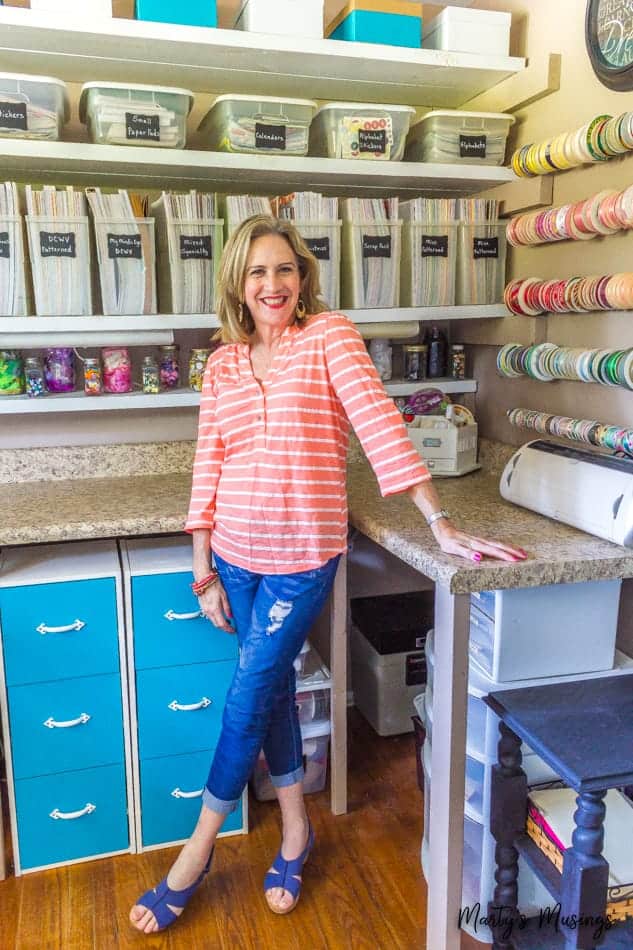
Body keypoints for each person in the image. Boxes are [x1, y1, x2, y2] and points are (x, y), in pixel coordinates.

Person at [130, 214, 527, 934]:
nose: (272, 284)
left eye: (284, 269)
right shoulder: (223, 362)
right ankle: (294, 832)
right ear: (238, 285)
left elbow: (379, 425)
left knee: (245, 697)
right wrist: (202, 568)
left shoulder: (329, 336)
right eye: (257, 272)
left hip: (302, 553)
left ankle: (197, 850)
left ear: (302, 278)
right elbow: (208, 464)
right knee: (272, 690)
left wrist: (439, 521)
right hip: (235, 557)